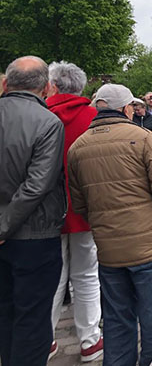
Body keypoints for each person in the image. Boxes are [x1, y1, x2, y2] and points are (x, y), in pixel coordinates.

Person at [67, 83, 152, 366]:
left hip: (109, 251)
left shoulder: (78, 147)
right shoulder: (143, 138)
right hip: (150, 247)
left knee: (117, 322)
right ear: (126, 108)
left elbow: (79, 204)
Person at [0, 56, 66, 366]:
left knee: (6, 314)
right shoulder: (48, 123)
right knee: (33, 319)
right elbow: (38, 185)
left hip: (14, 233)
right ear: (46, 88)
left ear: (5, 83)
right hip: (34, 236)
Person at [46, 61, 103, 362]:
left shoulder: (40, 114)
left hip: (47, 212)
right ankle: (89, 340)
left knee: (52, 276)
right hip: (86, 208)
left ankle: (45, 339)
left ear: (53, 85)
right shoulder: (94, 117)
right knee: (86, 275)